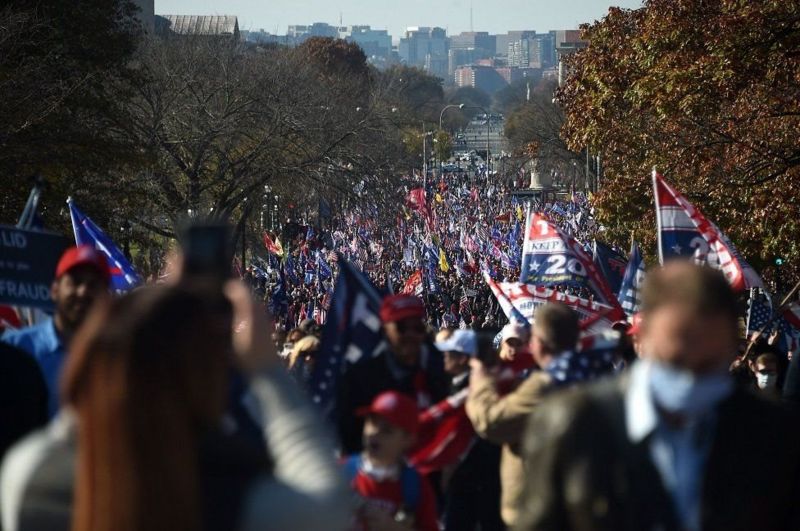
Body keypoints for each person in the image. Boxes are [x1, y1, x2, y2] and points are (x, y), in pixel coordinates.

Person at [0, 282, 350, 531]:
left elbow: (71, 423)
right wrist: (267, 371)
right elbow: (329, 508)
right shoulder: (231, 504)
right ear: (204, 384)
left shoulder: (32, 481)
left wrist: (125, 334)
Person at [514, 263, 800, 531]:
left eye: (708, 364)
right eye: (676, 360)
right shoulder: (571, 423)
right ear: (643, 338)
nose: (692, 378)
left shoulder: (772, 434)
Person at [466, 304, 581, 527]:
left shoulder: (544, 385)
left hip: (539, 511)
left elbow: (491, 421)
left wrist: (481, 382)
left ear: (538, 342)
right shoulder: (590, 374)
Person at [2, 246, 110, 417]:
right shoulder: (15, 348)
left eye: (93, 285)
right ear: (54, 290)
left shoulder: (120, 356)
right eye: (75, 282)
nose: (83, 292)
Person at [337, 295, 448, 454]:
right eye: (402, 327)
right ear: (385, 330)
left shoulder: (442, 369)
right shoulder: (361, 378)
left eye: (417, 328)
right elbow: (349, 435)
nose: (410, 335)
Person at [433, 329, 504, 531]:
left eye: (449, 352)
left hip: (473, 479)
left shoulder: (472, 389)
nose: (444, 356)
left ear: (463, 358)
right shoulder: (457, 384)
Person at [343, 391, 438, 531]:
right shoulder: (338, 472)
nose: (374, 433)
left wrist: (393, 527)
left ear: (408, 440)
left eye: (387, 430)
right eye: (371, 423)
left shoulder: (415, 487)